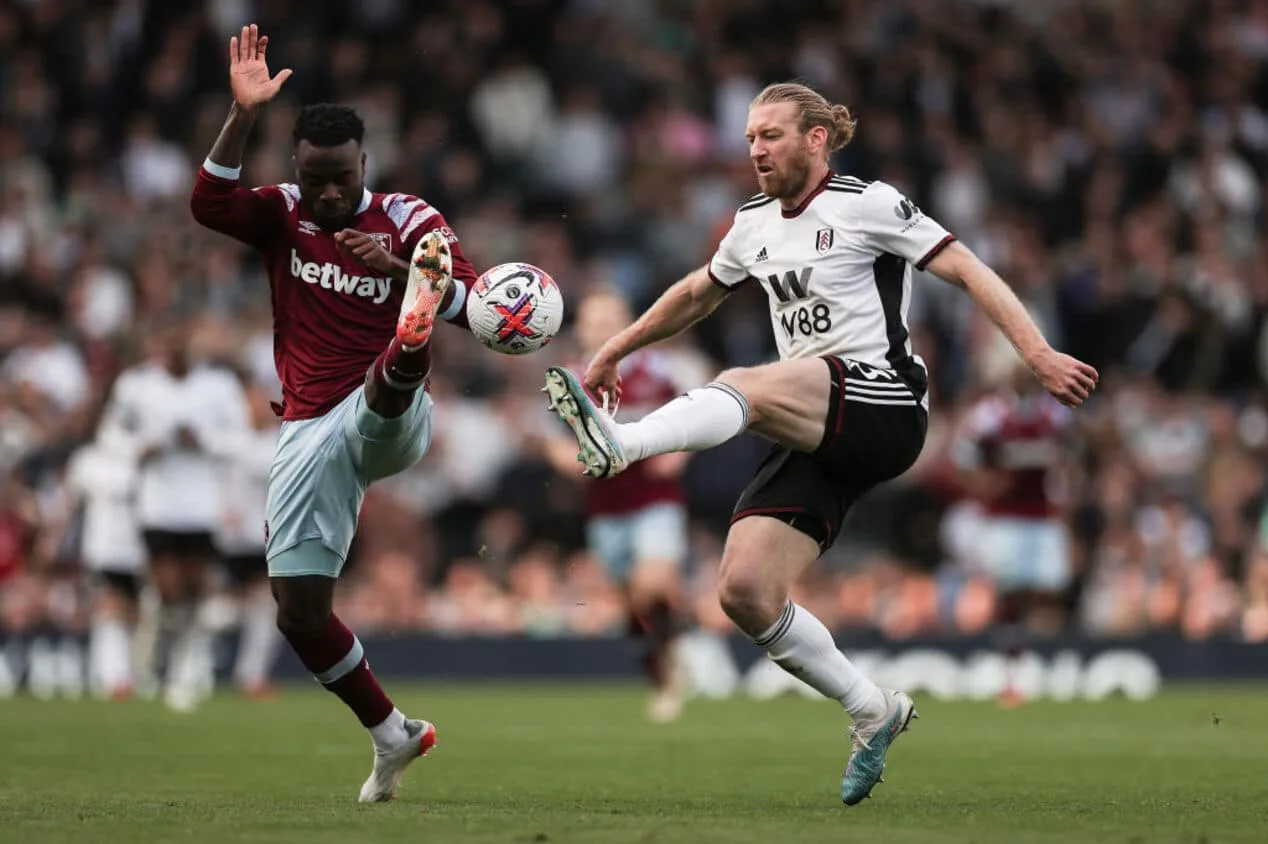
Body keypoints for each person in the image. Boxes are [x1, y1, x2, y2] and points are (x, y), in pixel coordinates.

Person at [544, 81, 1099, 805]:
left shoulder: (867, 203)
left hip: (886, 403)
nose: (755, 150)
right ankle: (871, 707)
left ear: (816, 138)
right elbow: (696, 292)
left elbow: (966, 268)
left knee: (751, 380)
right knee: (743, 590)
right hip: (816, 425)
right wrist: (614, 347)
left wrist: (1037, 354)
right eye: (748, 138)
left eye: (770, 135)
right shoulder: (751, 222)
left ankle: (622, 445)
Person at [190, 25, 477, 802]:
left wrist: (412, 277)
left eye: (341, 179)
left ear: (364, 166)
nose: (327, 193)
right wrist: (241, 113)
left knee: (387, 384)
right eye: (315, 178)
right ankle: (393, 734)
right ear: (296, 169)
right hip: (308, 429)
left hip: (389, 415)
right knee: (299, 613)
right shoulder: (284, 213)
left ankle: (405, 347)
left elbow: (482, 304)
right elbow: (208, 202)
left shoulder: (411, 220)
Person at [542, 286, 694, 722]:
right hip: (606, 504)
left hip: (654, 498)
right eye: (595, 321)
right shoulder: (569, 380)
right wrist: (569, 460)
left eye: (611, 320)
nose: (603, 328)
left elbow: (692, 417)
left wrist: (678, 457)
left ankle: (671, 669)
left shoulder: (657, 370)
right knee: (631, 605)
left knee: (652, 586)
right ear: (583, 328)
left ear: (628, 324)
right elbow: (552, 440)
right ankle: (660, 673)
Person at [96, 320, 250, 712]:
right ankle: (155, 667)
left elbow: (240, 437)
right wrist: (139, 448)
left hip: (201, 504)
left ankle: (185, 670)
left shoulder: (219, 386)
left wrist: (203, 441)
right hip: (158, 503)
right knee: (167, 590)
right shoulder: (136, 386)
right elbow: (110, 435)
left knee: (196, 592)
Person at [952, 357, 1075, 707]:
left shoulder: (1054, 412)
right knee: (1009, 592)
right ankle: (1012, 670)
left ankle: (1041, 662)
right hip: (1004, 518)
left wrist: (1067, 498)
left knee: (1050, 588)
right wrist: (984, 487)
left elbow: (1070, 456)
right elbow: (961, 457)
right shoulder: (990, 414)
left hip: (1043, 517)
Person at [215, 371, 284, 699]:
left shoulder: (277, 441)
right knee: (213, 604)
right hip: (220, 537)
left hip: (259, 536)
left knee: (264, 606)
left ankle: (251, 675)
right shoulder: (226, 441)